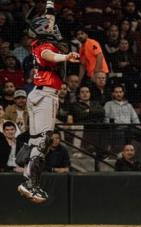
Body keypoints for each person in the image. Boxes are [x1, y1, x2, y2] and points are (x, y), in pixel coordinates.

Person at [17, 1, 80, 204]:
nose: (55, 28)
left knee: (36, 140)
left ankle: (28, 181)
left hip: (37, 93)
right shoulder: (44, 47)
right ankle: (30, 185)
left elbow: (48, 20)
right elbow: (49, 55)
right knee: (43, 140)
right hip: (46, 96)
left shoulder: (39, 41)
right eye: (51, 26)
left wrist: (50, 6)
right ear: (44, 30)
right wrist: (66, 56)